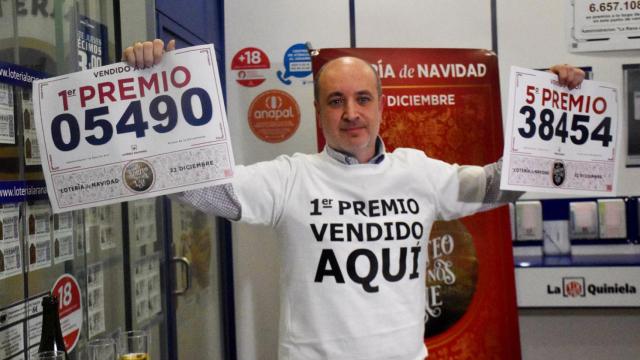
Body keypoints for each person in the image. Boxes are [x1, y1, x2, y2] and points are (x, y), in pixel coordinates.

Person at [125, 40, 584, 360]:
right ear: (320, 110)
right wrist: (153, 89)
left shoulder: (417, 171)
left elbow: (493, 186)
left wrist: (546, 112)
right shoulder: (291, 179)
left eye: (363, 98)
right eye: (336, 101)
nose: (351, 113)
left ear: (381, 106)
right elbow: (205, 189)